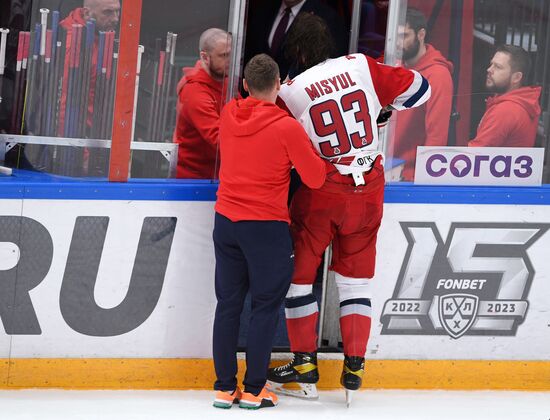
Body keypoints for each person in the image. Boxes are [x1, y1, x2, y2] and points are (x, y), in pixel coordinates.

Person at [267, 12, 430, 405]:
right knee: (357, 282)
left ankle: (304, 365)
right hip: (368, 188)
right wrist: (384, 111)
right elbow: (421, 90)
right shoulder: (360, 65)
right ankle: (354, 366)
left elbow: (277, 146)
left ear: (299, 50)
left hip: (322, 191)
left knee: (300, 278)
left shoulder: (291, 91)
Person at [212, 53, 327, 410]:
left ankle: (223, 387)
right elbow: (315, 178)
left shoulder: (228, 114)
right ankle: (254, 389)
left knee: (228, 306)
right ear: (279, 86)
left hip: (226, 222)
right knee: (265, 307)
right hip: (265, 228)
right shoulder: (286, 127)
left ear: (245, 85)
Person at [393, 8, 453, 181]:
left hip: (409, 177)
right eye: (395, 36)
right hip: (385, 169)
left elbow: (436, 136)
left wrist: (423, 180)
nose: (397, 43)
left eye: (404, 36)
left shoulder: (438, 76)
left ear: (421, 34)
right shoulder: (394, 64)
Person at [173, 28, 231, 179]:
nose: (230, 60)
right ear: (205, 57)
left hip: (218, 175)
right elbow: (218, 138)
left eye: (232, 54)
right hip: (194, 181)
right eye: (224, 55)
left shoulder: (227, 81)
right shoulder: (194, 92)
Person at [58, 0, 121, 136]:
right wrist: (81, 150)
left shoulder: (102, 36)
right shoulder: (73, 45)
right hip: (79, 139)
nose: (115, 19)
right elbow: (64, 103)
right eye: (108, 12)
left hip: (98, 134)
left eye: (117, 11)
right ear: (87, 13)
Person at [244, 0, 348, 80]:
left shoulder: (327, 17)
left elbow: (329, 65)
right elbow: (251, 53)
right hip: (259, 95)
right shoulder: (263, 10)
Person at [469, 44, 541, 147]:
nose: (489, 70)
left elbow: (475, 153)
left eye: (498, 67)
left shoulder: (506, 110)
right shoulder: (522, 103)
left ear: (516, 77)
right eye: (491, 64)